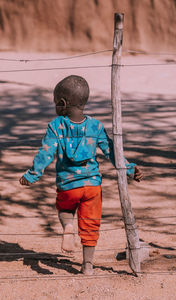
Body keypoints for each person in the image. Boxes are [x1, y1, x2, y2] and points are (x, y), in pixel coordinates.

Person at [19, 75, 143, 275]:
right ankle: (87, 266)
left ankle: (68, 226)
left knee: (64, 210)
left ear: (62, 103)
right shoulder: (95, 127)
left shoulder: (56, 126)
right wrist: (129, 169)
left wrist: (32, 175)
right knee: (90, 224)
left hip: (68, 185)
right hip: (92, 186)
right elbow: (112, 152)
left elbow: (45, 153)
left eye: (55, 103)